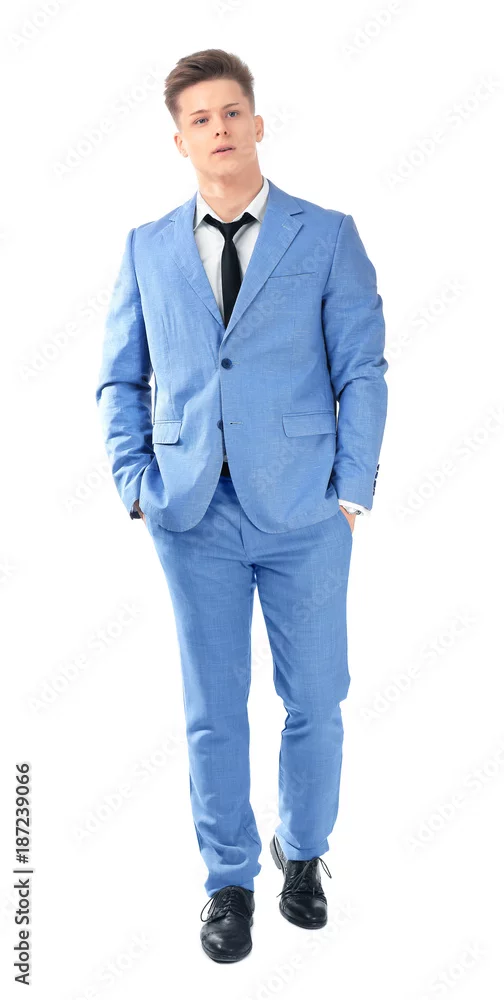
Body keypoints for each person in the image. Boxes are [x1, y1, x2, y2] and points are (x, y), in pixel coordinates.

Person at [96, 47, 388, 963]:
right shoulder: (147, 248)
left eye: (231, 113)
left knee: (318, 698)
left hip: (307, 512)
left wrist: (351, 492)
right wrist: (137, 487)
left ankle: (302, 854)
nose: (218, 129)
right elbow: (120, 378)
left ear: (257, 123)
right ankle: (228, 881)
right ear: (179, 141)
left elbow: (363, 370)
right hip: (191, 516)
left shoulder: (326, 234)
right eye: (200, 120)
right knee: (213, 707)